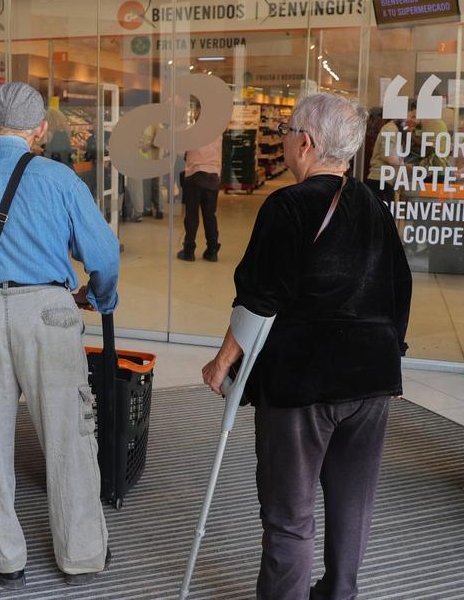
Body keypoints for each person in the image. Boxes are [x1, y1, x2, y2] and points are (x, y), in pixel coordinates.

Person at [201, 93, 412, 600]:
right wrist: (388, 355)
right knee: (352, 503)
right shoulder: (375, 205)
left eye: (287, 131)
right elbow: (400, 288)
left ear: (307, 142)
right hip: (372, 379)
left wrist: (223, 362)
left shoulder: (289, 204)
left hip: (302, 382)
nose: (283, 140)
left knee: (289, 513)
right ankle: (339, 592)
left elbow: (260, 297)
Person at [0, 82, 119, 589]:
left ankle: (6, 558)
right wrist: (100, 296)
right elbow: (103, 255)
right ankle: (80, 553)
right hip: (48, 314)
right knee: (68, 437)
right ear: (40, 129)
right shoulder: (59, 178)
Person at [177, 104, 223, 262]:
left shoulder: (192, 131)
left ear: (198, 113)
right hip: (213, 177)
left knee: (192, 214)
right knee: (210, 215)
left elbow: (182, 152)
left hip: (195, 176)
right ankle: (212, 250)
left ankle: (189, 250)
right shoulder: (217, 133)